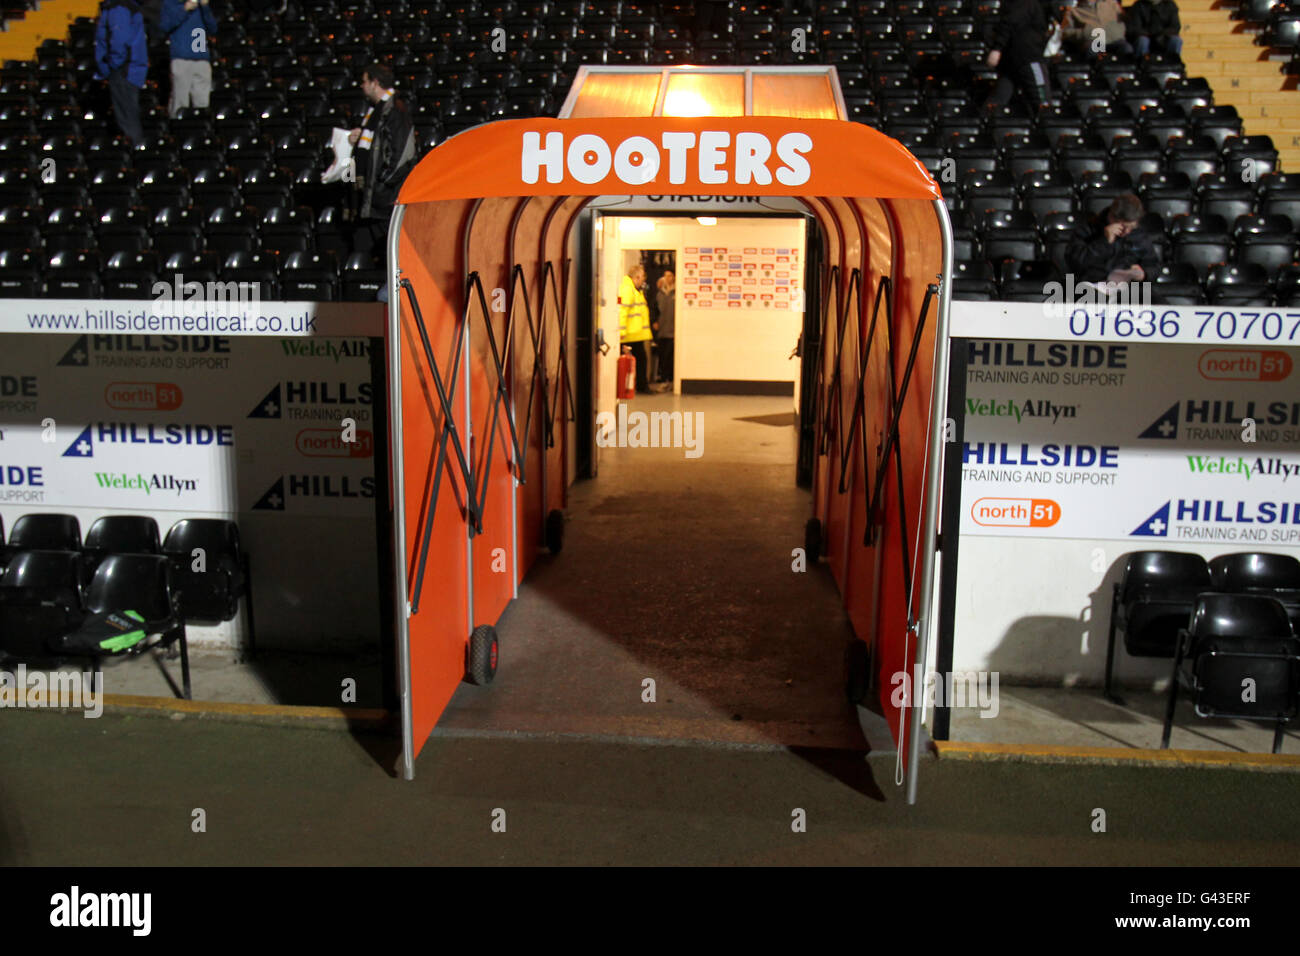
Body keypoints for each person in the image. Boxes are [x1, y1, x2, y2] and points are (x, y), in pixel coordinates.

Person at [347, 62, 417, 290]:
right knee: (365, 253)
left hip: (384, 201)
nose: (361, 85)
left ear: (375, 82)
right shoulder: (374, 112)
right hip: (371, 202)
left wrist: (381, 185)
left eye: (364, 80)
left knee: (390, 254)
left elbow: (402, 155)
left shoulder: (395, 110)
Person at [1065, 194, 1160, 285]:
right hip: (1095, 285)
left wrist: (1144, 274)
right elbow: (1076, 263)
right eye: (1123, 226)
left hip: (1130, 287)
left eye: (1131, 227)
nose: (1127, 231)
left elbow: (1153, 265)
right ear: (1111, 217)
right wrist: (1104, 242)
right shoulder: (1088, 230)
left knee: (1157, 300)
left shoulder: (1139, 235)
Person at [94, 0, 148, 146]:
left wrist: (112, 65)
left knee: (127, 120)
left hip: (123, 71)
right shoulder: (123, 6)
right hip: (128, 69)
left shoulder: (119, 7)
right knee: (128, 116)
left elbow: (119, 41)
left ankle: (135, 154)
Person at [985, 0, 1051, 110]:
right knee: (1043, 102)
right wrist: (997, 48)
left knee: (999, 99)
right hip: (1028, 57)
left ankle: (988, 120)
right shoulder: (1027, 3)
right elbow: (1010, 22)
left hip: (1013, 59)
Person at [160, 0, 217, 116]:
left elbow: (213, 28)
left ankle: (201, 127)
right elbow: (165, 26)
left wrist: (205, 7)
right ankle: (177, 128)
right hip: (182, 58)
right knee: (180, 101)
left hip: (201, 58)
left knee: (202, 102)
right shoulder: (171, 4)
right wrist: (184, 10)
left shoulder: (202, 7)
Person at [619, 263, 652, 395]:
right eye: (642, 277)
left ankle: (640, 386)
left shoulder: (635, 290)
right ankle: (640, 387)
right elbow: (623, 311)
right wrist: (621, 332)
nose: (643, 280)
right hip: (629, 335)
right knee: (640, 361)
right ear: (637, 277)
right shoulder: (628, 290)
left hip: (635, 334)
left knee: (641, 361)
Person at [1061, 0, 1130, 58]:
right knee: (1091, 50)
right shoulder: (1074, 11)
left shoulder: (1113, 4)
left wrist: (1117, 31)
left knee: (1127, 48)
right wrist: (1085, 32)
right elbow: (1065, 33)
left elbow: (1127, 21)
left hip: (1115, 40)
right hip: (1093, 41)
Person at [652, 271, 675, 391]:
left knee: (670, 357)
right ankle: (664, 379)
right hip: (662, 330)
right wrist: (655, 321)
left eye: (670, 275)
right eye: (665, 275)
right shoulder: (660, 292)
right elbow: (654, 308)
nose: (667, 278)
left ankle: (670, 381)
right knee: (662, 356)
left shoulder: (677, 291)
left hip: (673, 331)